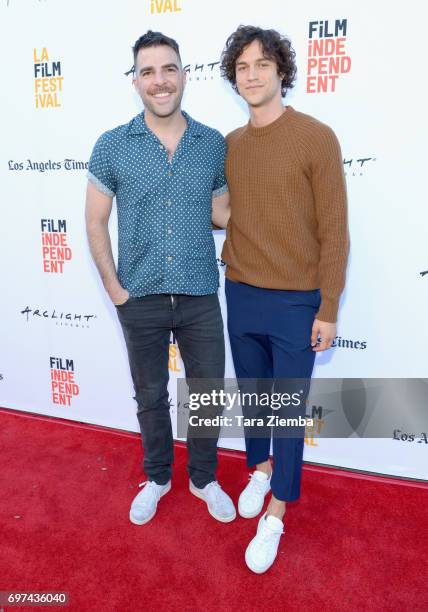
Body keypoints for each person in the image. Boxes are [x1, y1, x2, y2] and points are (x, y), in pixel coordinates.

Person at [85, 30, 235, 526]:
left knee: (208, 393)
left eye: (168, 69)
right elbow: (94, 220)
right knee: (149, 396)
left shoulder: (211, 143)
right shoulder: (112, 145)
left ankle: (203, 478)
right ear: (135, 81)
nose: (160, 80)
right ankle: (157, 477)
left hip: (199, 293)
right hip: (140, 295)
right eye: (147, 71)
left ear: (185, 75)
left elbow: (221, 212)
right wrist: (114, 288)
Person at [220, 25, 349, 573]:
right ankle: (261, 468)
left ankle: (276, 512)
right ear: (234, 77)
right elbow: (225, 211)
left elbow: (335, 232)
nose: (252, 75)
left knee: (288, 412)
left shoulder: (316, 137)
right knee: (253, 398)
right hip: (241, 290)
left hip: (298, 301)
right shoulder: (228, 145)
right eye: (242, 67)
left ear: (281, 73)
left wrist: (328, 307)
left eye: (262, 65)